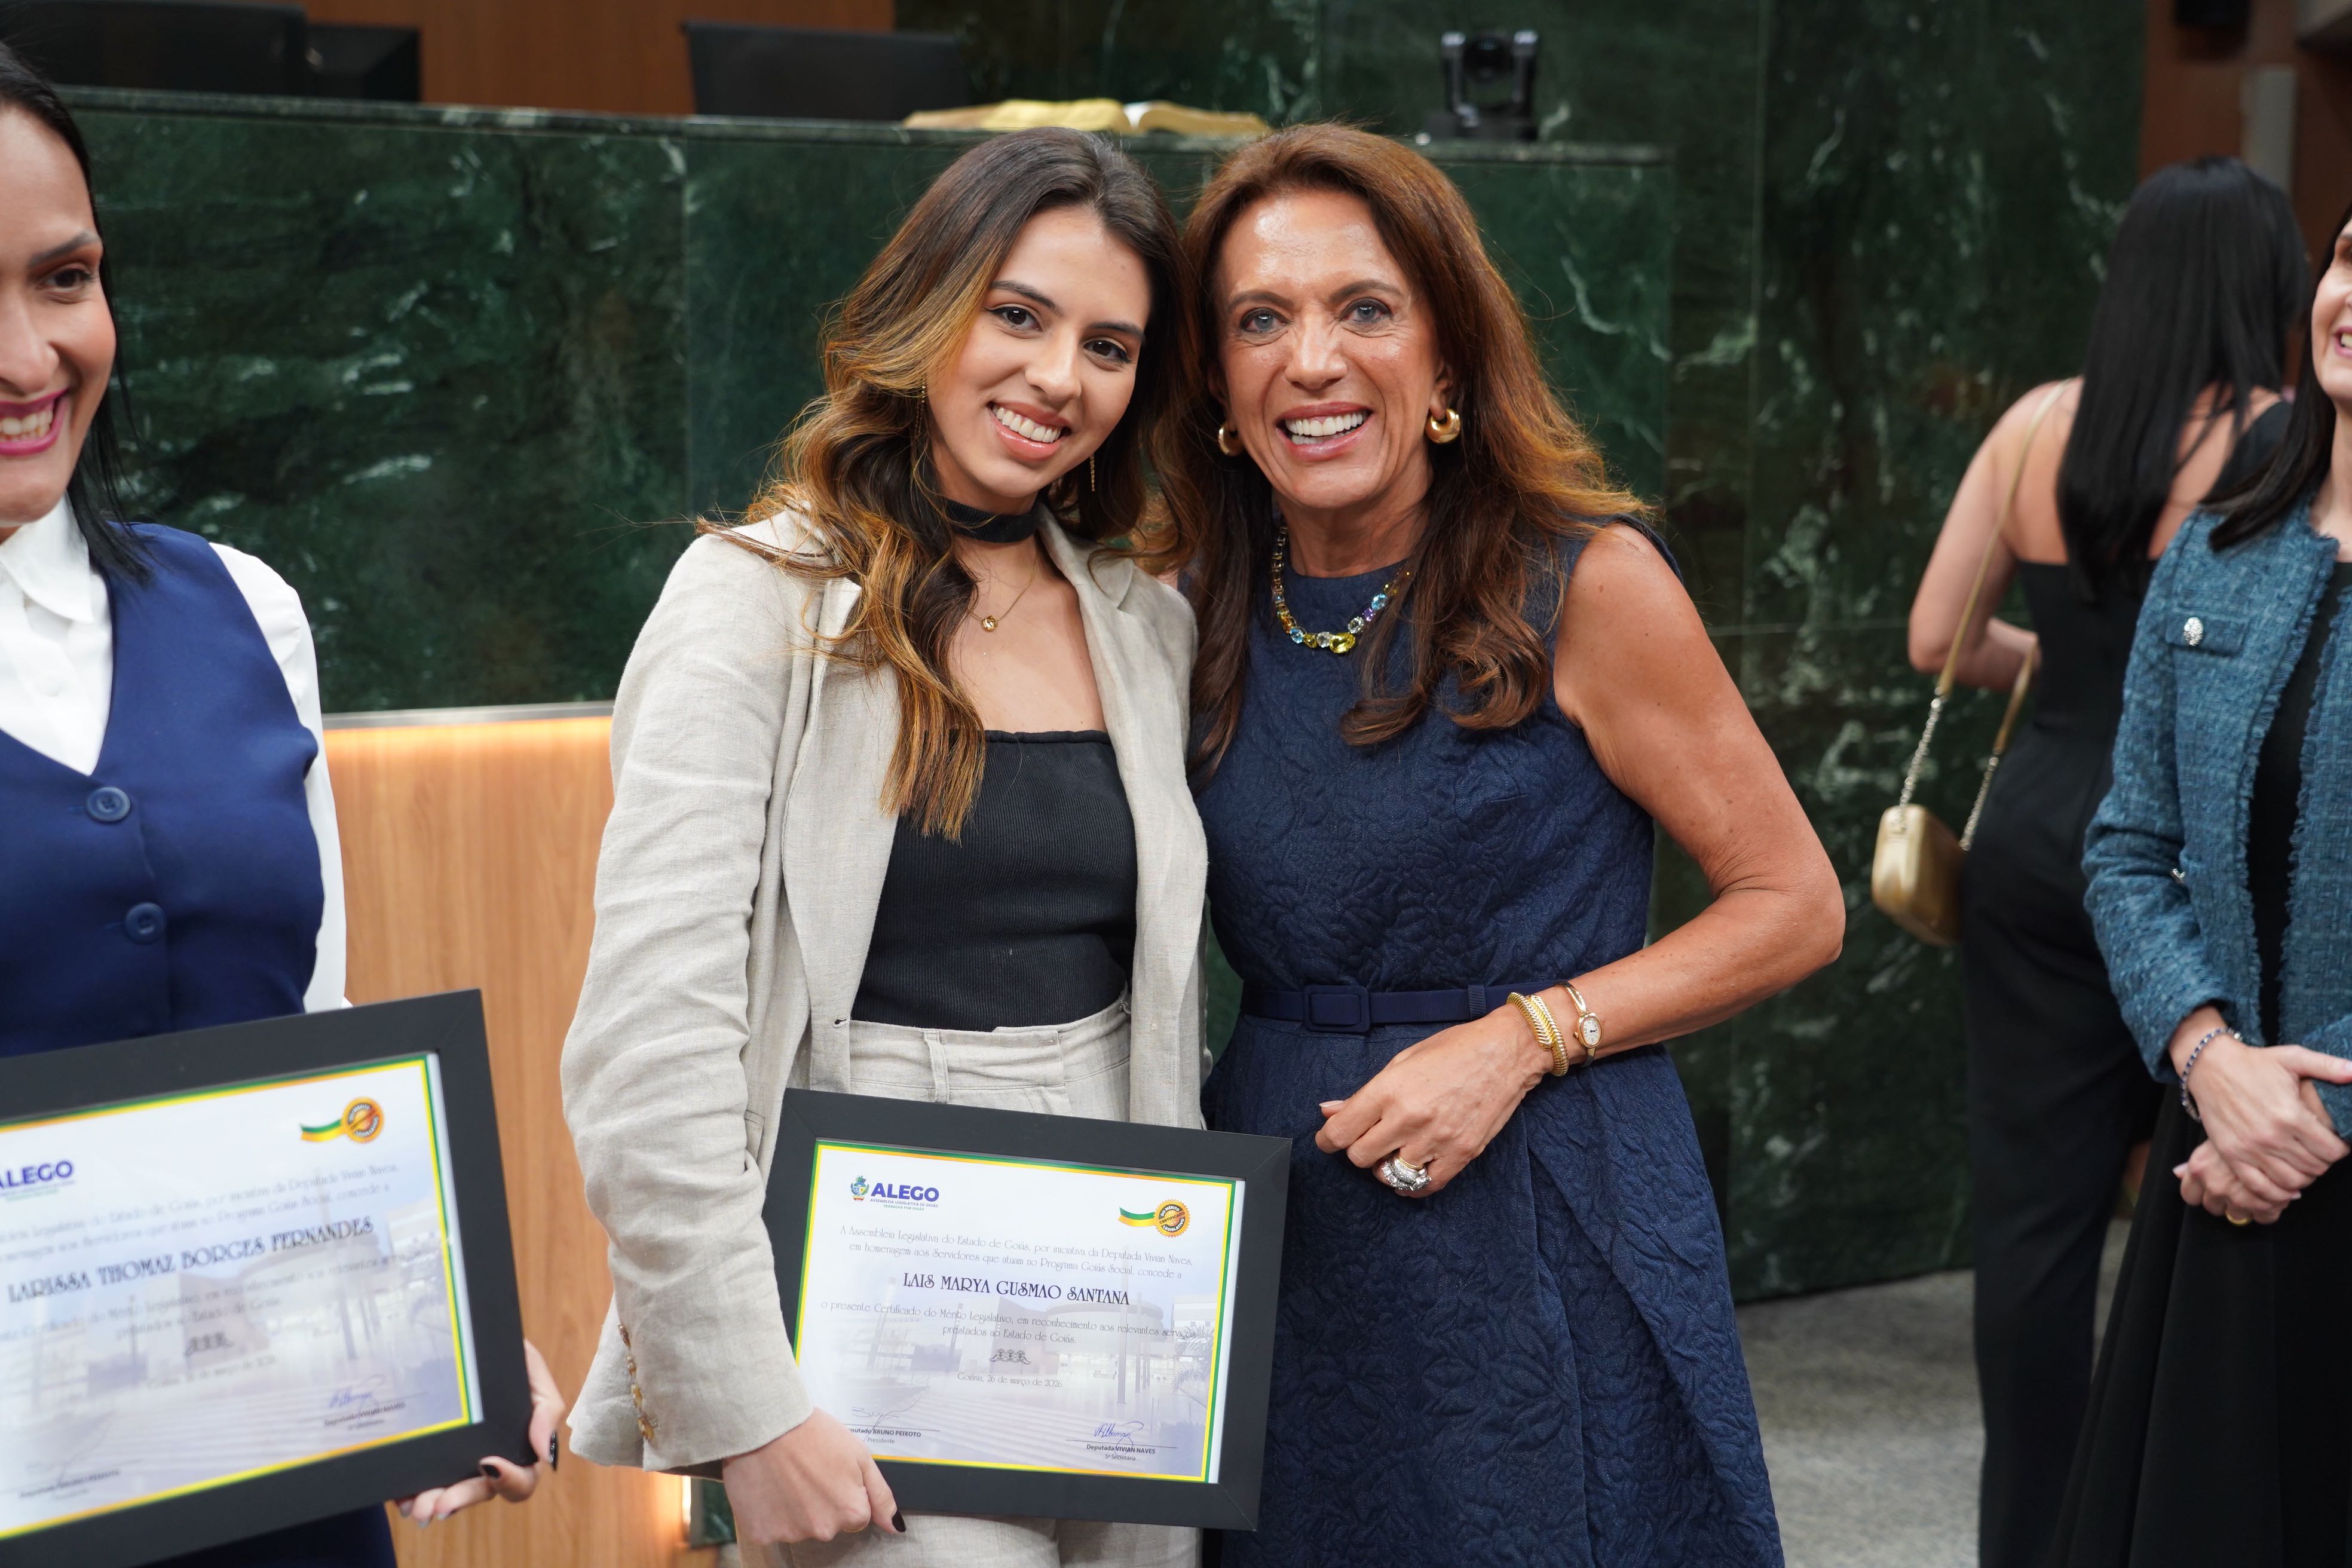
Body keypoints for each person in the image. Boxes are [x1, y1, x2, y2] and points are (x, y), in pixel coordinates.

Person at [1149, 124, 1842, 1567]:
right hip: (1279, 1209)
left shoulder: (1587, 581)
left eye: (1365, 310)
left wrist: (1525, 1037)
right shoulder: (1186, 596)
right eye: (1260, 321)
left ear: (1450, 359)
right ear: (1214, 381)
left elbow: (1793, 902)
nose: (1312, 360)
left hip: (1540, 1193)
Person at [560, 129, 1205, 1568]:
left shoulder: (1146, 624)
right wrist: (751, 1408)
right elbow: (648, 1045)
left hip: (1119, 1308)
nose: (1059, 376)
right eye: (1019, 314)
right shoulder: (752, 598)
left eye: (1109, 346)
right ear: (929, 306)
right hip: (856, 1307)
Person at [0, 42, 562, 1567]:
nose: (30, 358)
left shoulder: (247, 608)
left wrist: (446, 1325)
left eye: (65, 279)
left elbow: (312, 1034)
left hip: (279, 1488)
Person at [1903, 156, 2305, 1568]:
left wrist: (2070, 669)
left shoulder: (2031, 428)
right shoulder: (2287, 444)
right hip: (2202, 850)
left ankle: (2028, 1542)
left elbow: (1937, 635)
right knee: (2222, 1180)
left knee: (2032, 1225)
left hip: (2035, 839)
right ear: (2271, 279)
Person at [2049, 196, 2352, 1567]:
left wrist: (2307, 1107)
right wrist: (2209, 1056)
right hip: (2223, 1165)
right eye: (2349, 258)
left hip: (2281, 1151)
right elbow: (2127, 846)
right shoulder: (2218, 554)